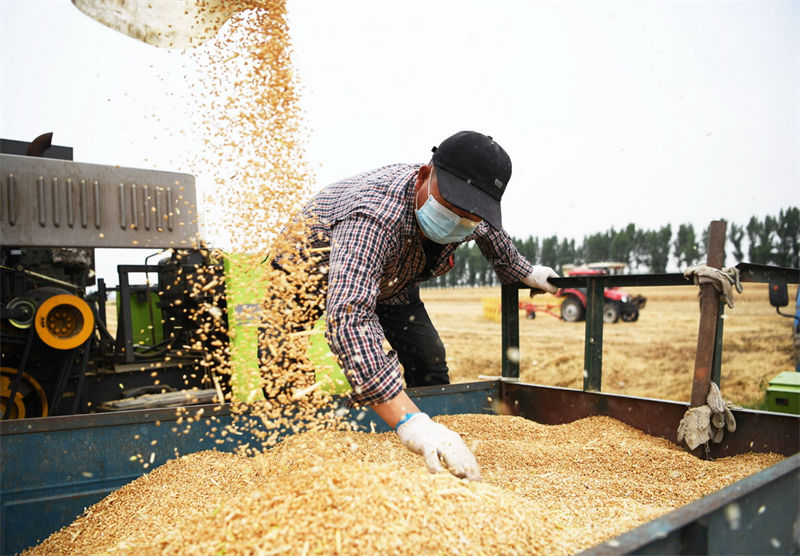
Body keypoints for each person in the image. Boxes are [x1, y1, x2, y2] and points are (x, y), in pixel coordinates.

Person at [263, 130, 559, 481]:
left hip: (394, 276)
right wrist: (407, 421)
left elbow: (493, 237)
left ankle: (437, 439)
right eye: (451, 208)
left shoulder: (469, 214)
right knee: (283, 365)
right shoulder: (373, 215)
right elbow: (349, 318)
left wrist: (526, 272)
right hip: (303, 269)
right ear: (424, 176)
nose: (460, 223)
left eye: (471, 215)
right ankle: (299, 458)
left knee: (428, 354)